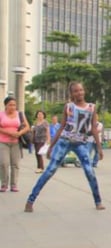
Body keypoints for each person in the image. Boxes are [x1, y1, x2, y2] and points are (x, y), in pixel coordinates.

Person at [25, 81, 105, 212]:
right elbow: (61, 127)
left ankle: (98, 201)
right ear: (72, 94)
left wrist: (99, 148)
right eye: (76, 91)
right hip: (65, 141)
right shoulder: (68, 107)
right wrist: (51, 146)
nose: (79, 93)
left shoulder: (91, 107)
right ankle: (30, 200)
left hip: (81, 144)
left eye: (81, 90)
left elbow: (94, 129)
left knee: (90, 172)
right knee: (50, 171)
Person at [0, 96, 31, 192]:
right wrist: (9, 133)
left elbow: (27, 127)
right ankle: (4, 184)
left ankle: (14, 184)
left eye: (14, 105)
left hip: (16, 143)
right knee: (4, 163)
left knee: (15, 164)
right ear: (6, 105)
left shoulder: (20, 114)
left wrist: (19, 133)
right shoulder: (1, 115)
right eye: (10, 105)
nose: (12, 107)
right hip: (3, 142)